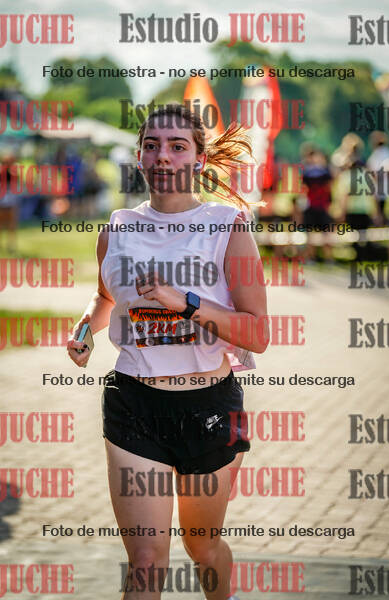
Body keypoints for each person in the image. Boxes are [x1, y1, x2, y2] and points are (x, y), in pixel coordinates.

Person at [67, 104, 269, 600]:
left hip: (208, 407)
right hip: (134, 404)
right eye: (152, 146)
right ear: (139, 156)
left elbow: (257, 334)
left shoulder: (228, 226)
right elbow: (106, 296)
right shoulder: (117, 227)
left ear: (199, 159)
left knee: (203, 547)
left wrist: (186, 303)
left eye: (178, 146)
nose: (163, 156)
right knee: (146, 559)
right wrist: (86, 327)